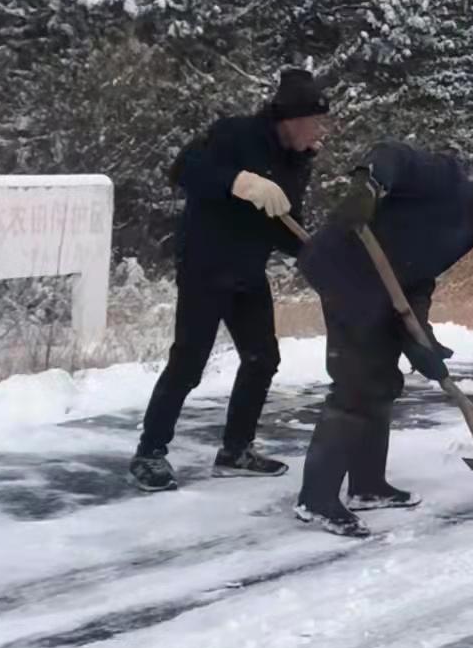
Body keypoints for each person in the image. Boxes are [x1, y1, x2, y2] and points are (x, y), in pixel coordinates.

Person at [293, 144, 473, 537]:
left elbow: (418, 283)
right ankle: (316, 498)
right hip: (342, 270)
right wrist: (368, 185)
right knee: (356, 384)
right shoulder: (446, 180)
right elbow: (393, 156)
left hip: (376, 292)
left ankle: (367, 486)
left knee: (382, 383)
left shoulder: (462, 237)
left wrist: (421, 336)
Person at [128, 69, 328, 493]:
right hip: (205, 261)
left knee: (262, 358)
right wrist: (238, 181)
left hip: (247, 268)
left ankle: (235, 450)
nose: (320, 133)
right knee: (189, 361)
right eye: (315, 123)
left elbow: (285, 224)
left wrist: (320, 254)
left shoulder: (298, 161)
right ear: (291, 119)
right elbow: (184, 169)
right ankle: (149, 453)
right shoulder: (234, 134)